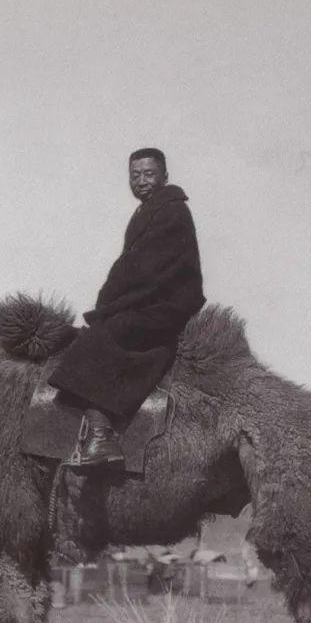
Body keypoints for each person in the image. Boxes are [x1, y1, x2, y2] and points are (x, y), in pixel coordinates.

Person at [49, 147, 205, 468]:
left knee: (100, 340)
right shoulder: (153, 210)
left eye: (149, 174)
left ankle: (103, 437)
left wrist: (108, 302)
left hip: (164, 307)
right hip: (153, 301)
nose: (142, 181)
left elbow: (142, 268)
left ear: (165, 176)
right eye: (135, 175)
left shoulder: (171, 211)